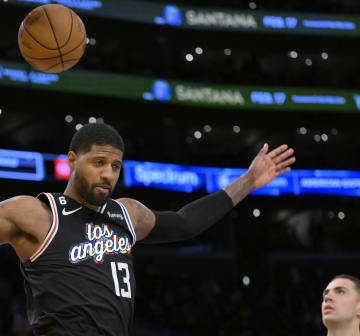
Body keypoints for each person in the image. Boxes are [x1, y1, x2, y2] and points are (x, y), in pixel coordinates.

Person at [0, 122, 295, 335]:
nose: (107, 174)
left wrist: (249, 182)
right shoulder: (36, 213)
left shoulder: (127, 213)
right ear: (73, 161)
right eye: (99, 162)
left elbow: (185, 223)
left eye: (115, 166)